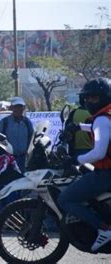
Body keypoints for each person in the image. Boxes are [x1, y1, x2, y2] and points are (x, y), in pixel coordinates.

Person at [58, 78, 111, 252]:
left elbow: (99, 153)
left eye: (93, 98)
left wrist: (75, 160)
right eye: (87, 98)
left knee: (65, 199)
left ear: (104, 98)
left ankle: (103, 229)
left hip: (106, 174)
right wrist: (79, 127)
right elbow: (99, 129)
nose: (88, 102)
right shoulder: (106, 116)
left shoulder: (102, 119)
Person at [0, 97, 34, 173]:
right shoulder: (5, 122)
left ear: (23, 108)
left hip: (23, 159)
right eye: (16, 107)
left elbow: (32, 138)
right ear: (12, 108)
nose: (18, 109)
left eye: (20, 107)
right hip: (8, 159)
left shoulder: (27, 122)